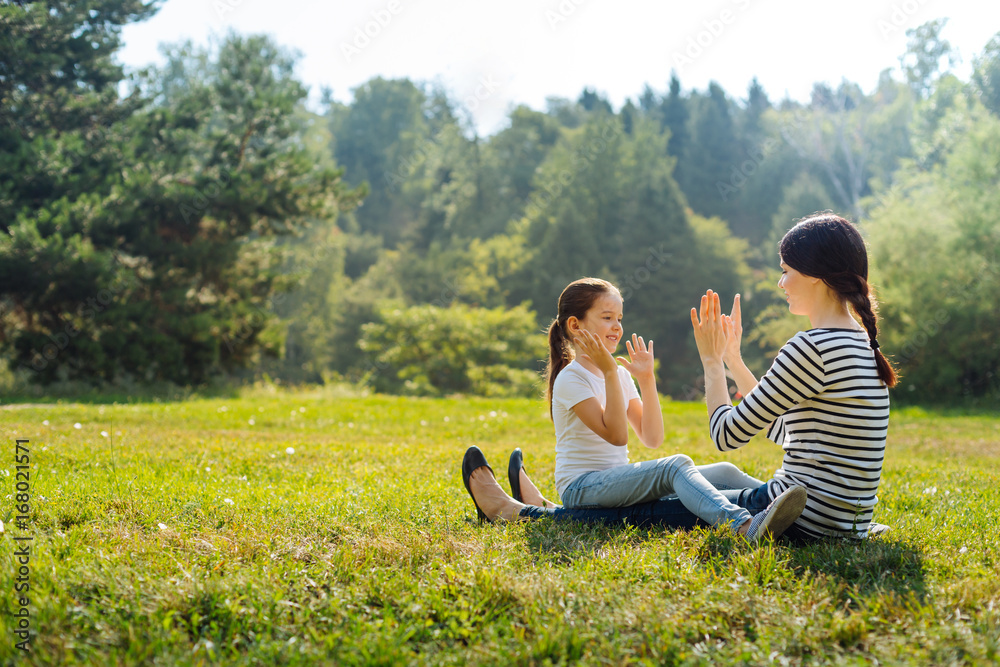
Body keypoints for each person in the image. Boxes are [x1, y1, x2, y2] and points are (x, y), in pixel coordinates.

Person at [462, 277, 807, 542]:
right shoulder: (572, 378)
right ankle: (743, 525)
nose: (616, 326)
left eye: (619, 318)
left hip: (615, 482)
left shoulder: (619, 376)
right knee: (676, 466)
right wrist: (613, 372)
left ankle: (777, 508)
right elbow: (616, 435)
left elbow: (652, 438)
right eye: (607, 317)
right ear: (575, 325)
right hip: (582, 488)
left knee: (727, 472)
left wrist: (645, 380)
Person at [690, 213, 896, 540]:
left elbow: (725, 435)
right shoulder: (860, 342)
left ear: (815, 275)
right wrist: (732, 358)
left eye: (786, 271)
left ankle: (577, 508)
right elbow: (788, 432)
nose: (780, 283)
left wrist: (711, 361)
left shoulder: (812, 346)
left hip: (800, 517)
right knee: (722, 475)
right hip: (841, 521)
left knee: (672, 485)